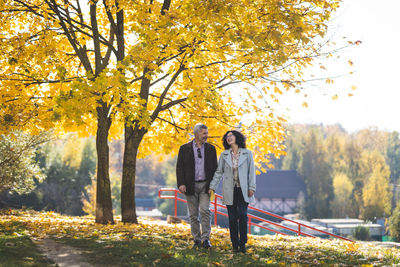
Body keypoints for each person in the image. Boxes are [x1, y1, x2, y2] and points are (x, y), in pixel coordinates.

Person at [208, 130, 256, 253]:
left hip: (244, 190)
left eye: (231, 135)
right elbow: (219, 172)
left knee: (243, 215)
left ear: (237, 137)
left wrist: (252, 188)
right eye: (227, 136)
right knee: (232, 218)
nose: (229, 137)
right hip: (230, 190)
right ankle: (235, 245)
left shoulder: (247, 153)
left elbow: (252, 172)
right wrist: (212, 186)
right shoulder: (224, 155)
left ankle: (243, 244)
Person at [176, 123, 218, 249]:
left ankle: (206, 239)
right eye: (204, 133)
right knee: (193, 214)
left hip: (206, 185)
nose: (206, 135)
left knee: (205, 211)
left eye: (207, 133)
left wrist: (213, 186)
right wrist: (181, 183)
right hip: (190, 185)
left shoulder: (211, 149)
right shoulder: (184, 148)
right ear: (196, 134)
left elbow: (215, 169)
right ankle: (196, 239)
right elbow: (180, 167)